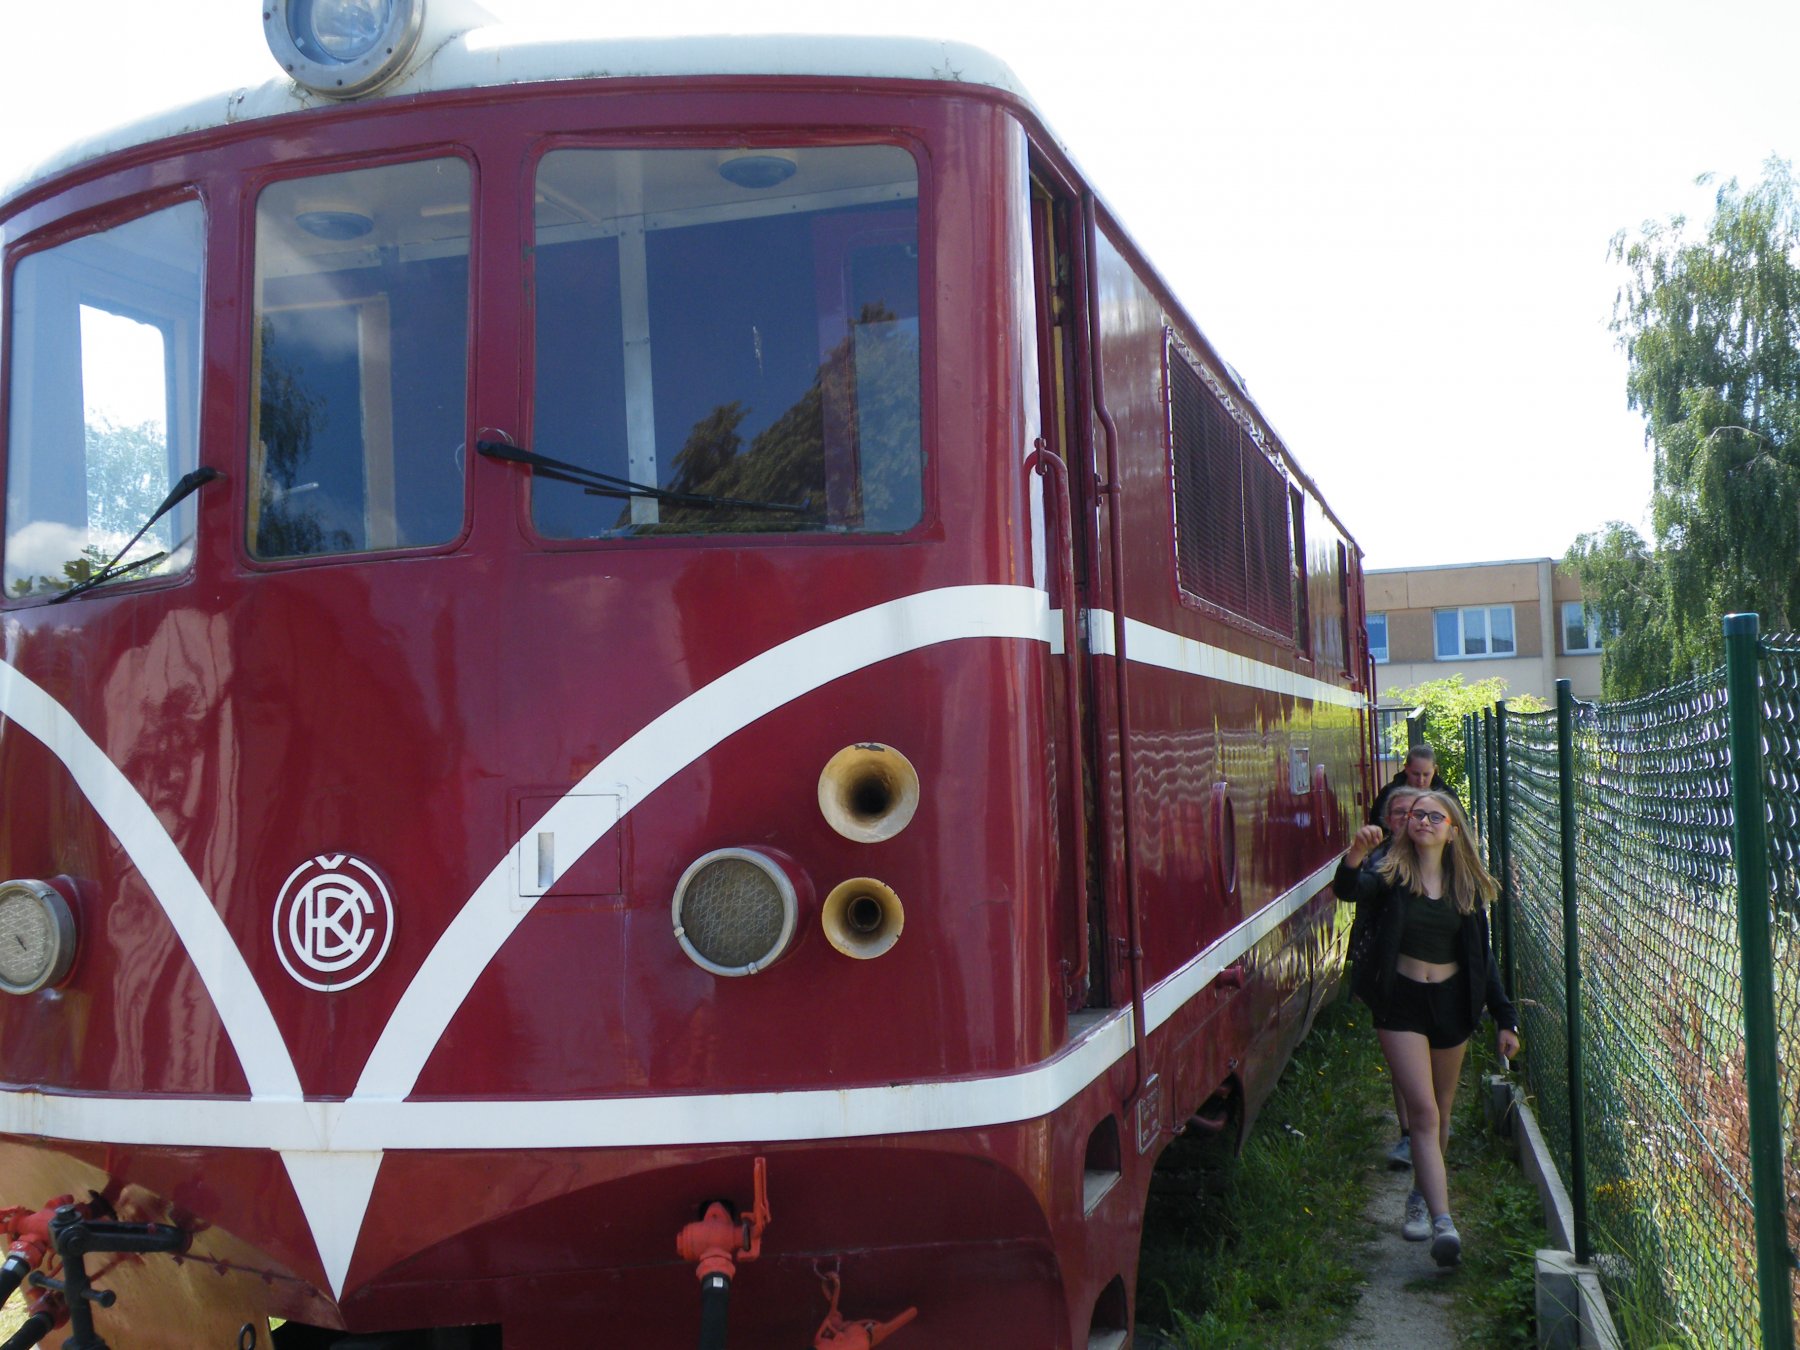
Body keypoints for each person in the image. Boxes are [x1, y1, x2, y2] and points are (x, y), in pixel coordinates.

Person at [1334, 789, 1519, 1267]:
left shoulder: (1466, 888)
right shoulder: (1391, 874)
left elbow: (1483, 960)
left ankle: (1420, 1194)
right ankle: (1443, 1222)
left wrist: (1505, 1017)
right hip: (1401, 1003)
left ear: (1452, 831)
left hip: (1451, 1005)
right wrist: (1354, 855)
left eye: (1435, 817)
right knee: (1423, 1111)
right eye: (1417, 815)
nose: (1423, 821)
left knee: (1442, 1108)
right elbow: (1350, 890)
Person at [1340, 785, 1421, 1170]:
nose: (1408, 819)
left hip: (1442, 980)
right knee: (1405, 1065)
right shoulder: (1383, 863)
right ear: (1388, 821)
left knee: (1434, 1066)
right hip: (1395, 979)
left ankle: (1428, 1133)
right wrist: (1356, 854)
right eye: (1399, 813)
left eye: (1415, 812)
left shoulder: (1451, 864)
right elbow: (1352, 890)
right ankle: (1409, 1134)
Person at [1368, 743, 1459, 827]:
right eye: (1415, 774)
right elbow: (1376, 825)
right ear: (1406, 768)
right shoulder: (1388, 793)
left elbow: (1460, 826)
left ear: (1435, 770)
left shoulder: (1446, 795)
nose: (1420, 780)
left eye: (1426, 774)